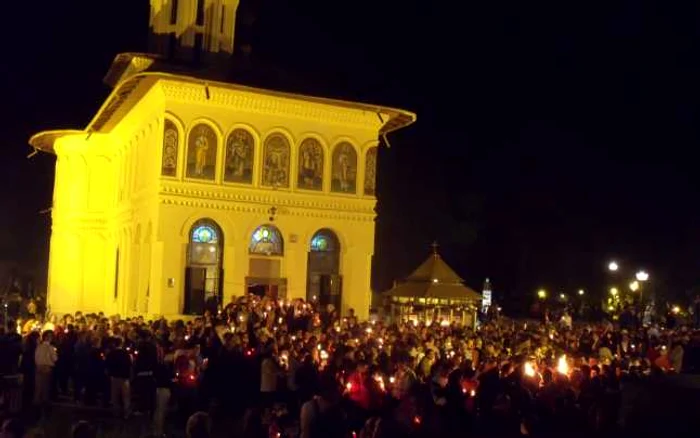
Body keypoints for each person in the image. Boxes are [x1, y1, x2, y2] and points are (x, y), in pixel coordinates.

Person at [34, 330, 57, 409]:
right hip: (47, 367)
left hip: (39, 367)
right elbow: (55, 359)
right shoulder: (51, 348)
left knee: (39, 386)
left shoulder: (38, 347)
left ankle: (37, 402)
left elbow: (36, 357)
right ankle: (44, 403)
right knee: (46, 386)